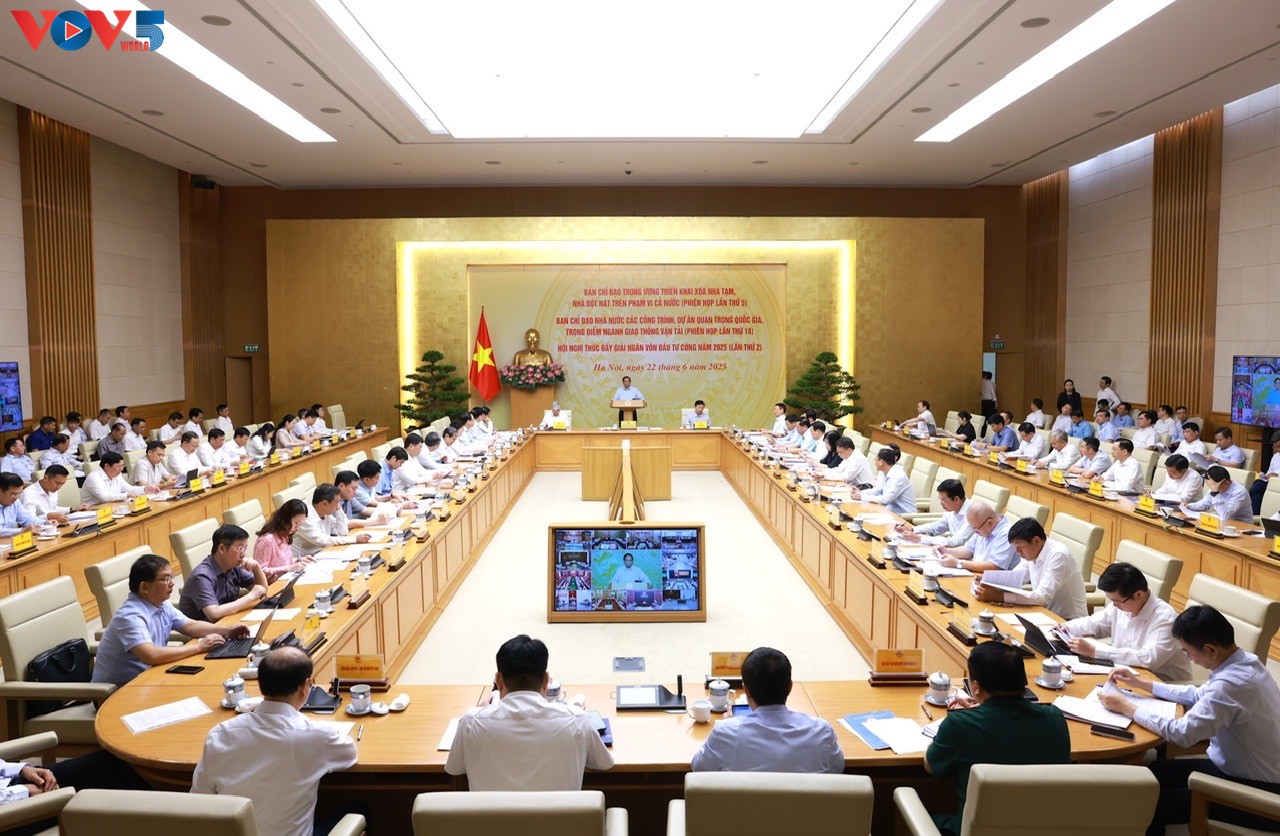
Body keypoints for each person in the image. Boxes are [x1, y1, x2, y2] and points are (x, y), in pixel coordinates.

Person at [1098, 605, 1280, 836]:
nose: (1188, 658)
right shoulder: (1244, 661)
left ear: (1210, 649)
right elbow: (1198, 694)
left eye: (1187, 652)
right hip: (1240, 769)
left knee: (1149, 805)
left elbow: (1182, 734)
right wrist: (1142, 684)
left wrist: (1128, 708)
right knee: (1153, 772)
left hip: (1261, 792)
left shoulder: (1231, 685)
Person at [192, 647, 360, 836]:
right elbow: (350, 755)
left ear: (261, 685)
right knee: (359, 808)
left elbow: (199, 798)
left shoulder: (220, 734)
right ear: (305, 686)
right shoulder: (318, 736)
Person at [924, 642, 1070, 836]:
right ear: (1023, 680)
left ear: (976, 687)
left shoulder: (958, 724)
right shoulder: (1054, 718)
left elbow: (931, 766)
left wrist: (962, 720)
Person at [445, 634, 613, 790]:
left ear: (499, 680)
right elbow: (604, 764)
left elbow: (455, 768)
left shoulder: (470, 722)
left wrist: (482, 712)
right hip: (559, 815)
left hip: (492, 815)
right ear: (546, 680)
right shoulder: (577, 720)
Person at [93, 554, 248, 686]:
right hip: (118, 690)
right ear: (145, 587)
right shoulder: (130, 616)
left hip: (152, 677)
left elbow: (191, 626)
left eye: (171, 577)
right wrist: (199, 647)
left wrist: (227, 630)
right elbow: (150, 655)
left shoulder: (161, 604)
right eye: (166, 579)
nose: (172, 583)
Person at [691, 646, 843, 773]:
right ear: (790, 687)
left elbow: (698, 769)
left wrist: (732, 725)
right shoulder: (821, 732)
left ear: (746, 689)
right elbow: (838, 769)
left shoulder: (725, 733)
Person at [1055, 562, 1190, 681]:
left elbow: (1147, 659)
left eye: (1117, 601)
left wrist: (1095, 650)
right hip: (1125, 674)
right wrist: (1067, 628)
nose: (1114, 605)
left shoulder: (1165, 619)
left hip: (1162, 683)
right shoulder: (1122, 605)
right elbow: (1095, 623)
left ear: (1138, 595)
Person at [971, 517, 1087, 619]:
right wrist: (987, 580)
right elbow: (1014, 578)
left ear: (1036, 540)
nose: (1017, 552)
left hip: (1068, 622)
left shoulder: (1058, 555)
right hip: (1044, 614)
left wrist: (999, 596)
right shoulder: (1032, 552)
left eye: (1020, 547)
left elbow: (1042, 597)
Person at [176, 524, 269, 621]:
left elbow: (261, 590)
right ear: (222, 549)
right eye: (239, 548)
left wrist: (257, 568)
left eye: (245, 548)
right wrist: (250, 596)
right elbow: (214, 614)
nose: (243, 554)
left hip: (228, 621)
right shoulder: (201, 576)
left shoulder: (234, 566)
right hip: (205, 628)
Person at [937, 501, 1018, 573]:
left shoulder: (1007, 533)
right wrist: (946, 551)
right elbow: (968, 549)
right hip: (977, 575)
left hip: (995, 582)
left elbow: (995, 566)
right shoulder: (982, 526)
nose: (975, 532)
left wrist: (958, 563)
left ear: (989, 522)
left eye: (976, 529)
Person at [293, 484, 372, 557]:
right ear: (325, 504)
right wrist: (354, 539)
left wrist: (338, 510)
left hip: (321, 554)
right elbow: (322, 540)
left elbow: (342, 532)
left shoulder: (326, 514)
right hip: (303, 560)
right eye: (337, 502)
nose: (338, 505)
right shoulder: (305, 516)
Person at [895, 478, 972, 547]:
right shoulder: (952, 510)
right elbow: (936, 527)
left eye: (943, 500)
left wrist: (920, 538)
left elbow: (956, 542)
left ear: (956, 499)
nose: (941, 503)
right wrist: (912, 530)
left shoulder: (972, 513)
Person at [254, 498, 313, 583]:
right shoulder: (267, 539)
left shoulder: (284, 535)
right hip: (271, 585)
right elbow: (260, 571)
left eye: (300, 524)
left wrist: (298, 561)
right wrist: (288, 568)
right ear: (286, 518)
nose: (297, 528)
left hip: (285, 580)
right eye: (296, 523)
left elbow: (282, 562)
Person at [850, 447, 916, 515]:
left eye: (876, 459)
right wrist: (861, 492)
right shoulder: (886, 472)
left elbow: (886, 500)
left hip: (904, 516)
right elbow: (878, 491)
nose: (874, 462)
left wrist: (861, 497)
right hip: (890, 511)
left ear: (881, 462)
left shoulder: (898, 476)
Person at [1183, 465, 1253, 523]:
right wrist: (1189, 506)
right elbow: (1205, 503)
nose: (1211, 488)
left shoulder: (1239, 492)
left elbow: (1225, 515)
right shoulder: (1215, 486)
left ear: (1226, 483)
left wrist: (1215, 492)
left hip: (1240, 525)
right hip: (1221, 521)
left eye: (1213, 485)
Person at [19, 465, 85, 524]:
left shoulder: (52, 489)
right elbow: (29, 520)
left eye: (62, 484)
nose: (59, 487)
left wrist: (71, 509)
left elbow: (53, 509)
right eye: (57, 483)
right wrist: (48, 516)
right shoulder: (29, 494)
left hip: (53, 525)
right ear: (46, 478)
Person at [81, 452, 153, 504]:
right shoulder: (94, 477)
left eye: (122, 466)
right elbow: (105, 497)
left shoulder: (117, 475)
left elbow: (129, 489)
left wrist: (145, 489)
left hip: (112, 507)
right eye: (118, 466)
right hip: (93, 511)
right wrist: (126, 495)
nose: (121, 469)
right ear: (107, 466)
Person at [1249, 437, 1280, 513]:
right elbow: (1269, 472)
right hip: (1271, 483)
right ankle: (1253, 517)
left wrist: (1278, 476)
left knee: (1258, 485)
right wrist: (1267, 476)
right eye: (1275, 447)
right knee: (1258, 496)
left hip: (1278, 483)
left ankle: (1243, 499)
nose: (1277, 449)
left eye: (1279, 446)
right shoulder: (1276, 456)